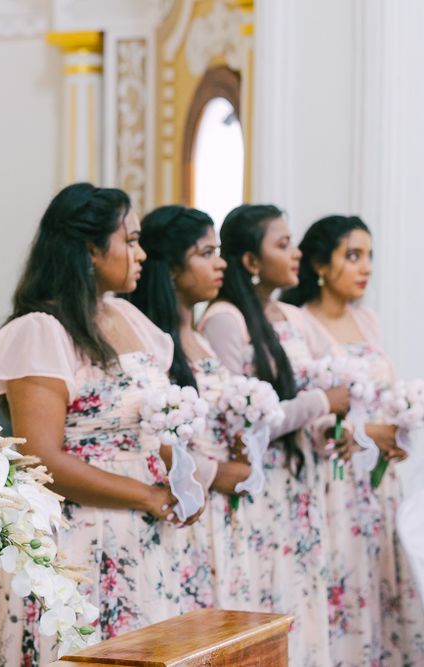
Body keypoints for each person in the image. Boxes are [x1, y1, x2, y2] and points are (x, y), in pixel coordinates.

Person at [0, 183, 202, 665]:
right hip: (80, 535)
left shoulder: (127, 317)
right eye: (131, 240)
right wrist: (147, 496)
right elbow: (42, 459)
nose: (141, 254)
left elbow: (140, 428)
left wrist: (184, 479)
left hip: (144, 531)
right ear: (91, 249)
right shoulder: (41, 331)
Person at [198, 204, 348, 667]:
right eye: (282, 244)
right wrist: (321, 405)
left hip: (301, 483)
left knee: (302, 599)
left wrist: (330, 428)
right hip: (260, 487)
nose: (297, 253)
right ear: (250, 261)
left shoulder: (288, 315)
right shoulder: (226, 319)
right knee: (267, 601)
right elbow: (239, 422)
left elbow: (315, 391)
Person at [282, 215, 424, 666]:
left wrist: (399, 426)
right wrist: (364, 434)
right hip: (331, 483)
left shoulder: (369, 321)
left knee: (382, 585)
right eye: (353, 256)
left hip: (377, 485)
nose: (365, 268)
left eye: (369, 257)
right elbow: (306, 409)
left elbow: (382, 397)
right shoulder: (300, 323)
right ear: (321, 265)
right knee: (342, 584)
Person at [127, 205, 253, 611]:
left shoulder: (200, 337)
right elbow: (147, 436)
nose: (220, 263)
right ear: (171, 269)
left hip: (223, 507)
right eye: (205, 252)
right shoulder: (153, 343)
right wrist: (215, 473)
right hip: (189, 501)